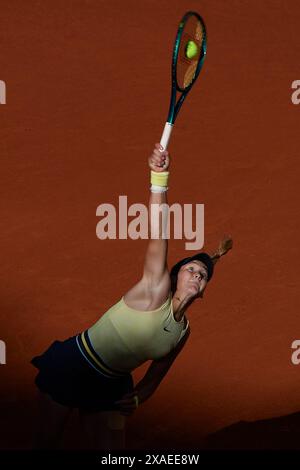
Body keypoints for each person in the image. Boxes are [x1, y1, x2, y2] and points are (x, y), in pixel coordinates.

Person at [31, 143, 232, 449]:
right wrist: (159, 178)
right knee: (46, 444)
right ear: (173, 275)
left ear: (204, 291)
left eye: (202, 275)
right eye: (190, 269)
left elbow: (156, 375)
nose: (196, 275)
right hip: (75, 364)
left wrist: (139, 396)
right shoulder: (154, 290)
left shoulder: (183, 332)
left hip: (112, 384)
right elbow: (158, 230)